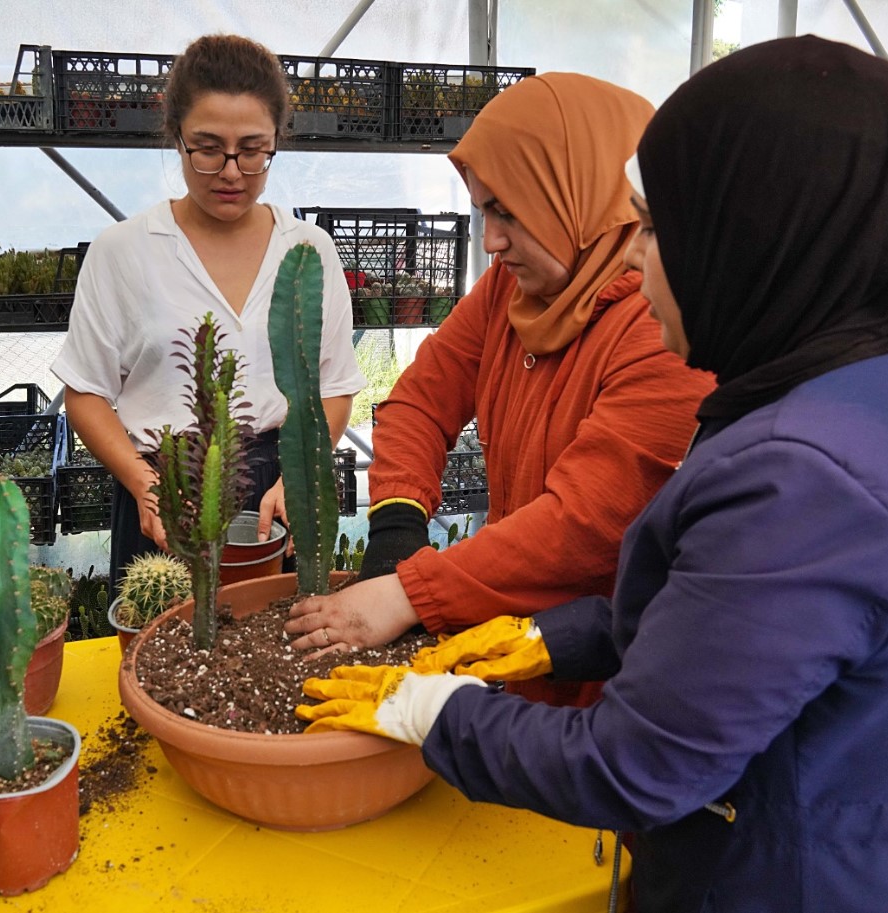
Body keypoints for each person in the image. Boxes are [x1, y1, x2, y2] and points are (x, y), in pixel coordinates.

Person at [295, 36, 888, 912]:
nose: (635, 257)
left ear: (751, 237)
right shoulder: (856, 385)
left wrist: (431, 711)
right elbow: (725, 618)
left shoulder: (805, 480)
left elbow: (637, 764)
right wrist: (547, 638)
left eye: (659, 226)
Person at [285, 71, 716, 707]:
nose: (490, 240)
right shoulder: (512, 291)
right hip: (511, 646)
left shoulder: (662, 327)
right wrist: (397, 528)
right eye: (484, 210)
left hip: (610, 681)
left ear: (580, 195)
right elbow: (420, 401)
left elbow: (583, 525)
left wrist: (411, 594)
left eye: (508, 212)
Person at [52, 34, 364, 587]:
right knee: (164, 654)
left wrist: (298, 475)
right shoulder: (123, 249)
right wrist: (147, 487)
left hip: (277, 483)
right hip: (163, 484)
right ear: (176, 138)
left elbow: (335, 385)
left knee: (276, 657)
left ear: (276, 141)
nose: (231, 171)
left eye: (252, 148)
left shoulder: (308, 251)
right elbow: (86, 392)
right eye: (208, 146)